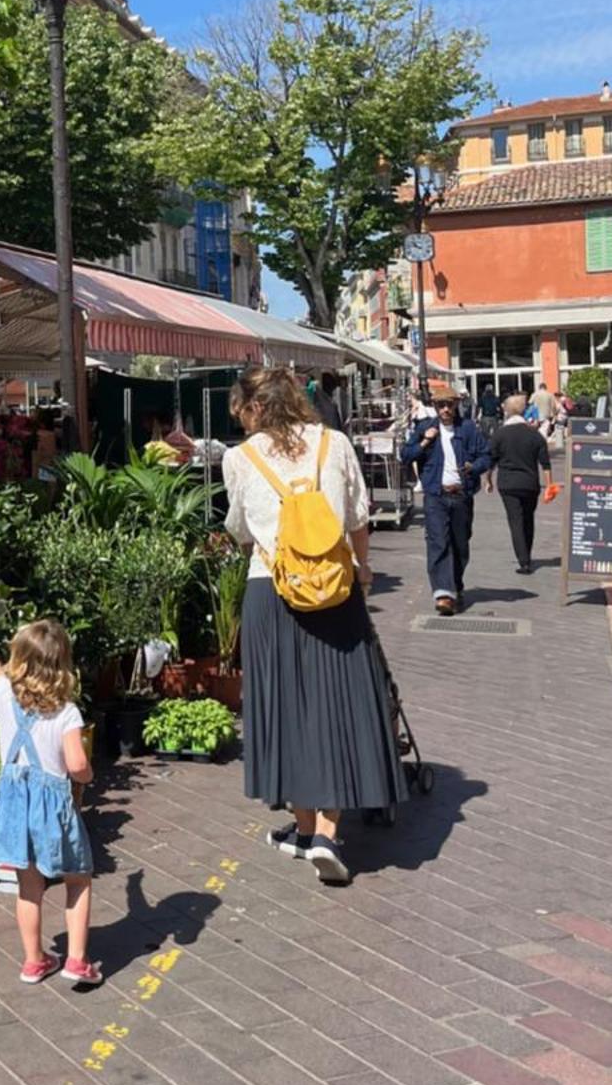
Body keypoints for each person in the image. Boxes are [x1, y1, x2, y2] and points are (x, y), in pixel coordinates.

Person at [222, 366, 403, 887]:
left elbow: (239, 531)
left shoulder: (241, 458)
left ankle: (303, 829)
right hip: (334, 588)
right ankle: (326, 831)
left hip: (270, 590)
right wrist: (363, 571)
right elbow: (358, 518)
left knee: (283, 706)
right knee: (337, 703)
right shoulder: (335, 443)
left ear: (253, 409)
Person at [0, 604, 98, 985]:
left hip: (13, 802)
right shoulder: (67, 712)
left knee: (29, 885)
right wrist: (88, 774)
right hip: (52, 805)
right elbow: (75, 766)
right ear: (62, 665)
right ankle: (76, 961)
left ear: (19, 659)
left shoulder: (4, 692)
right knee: (78, 878)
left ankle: (33, 960)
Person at [401, 393, 494, 615]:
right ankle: (443, 594)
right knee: (438, 542)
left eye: (449, 405)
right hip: (436, 496)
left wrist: (474, 467)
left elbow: (486, 456)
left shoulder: (468, 429)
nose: (445, 409)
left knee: (460, 545)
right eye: (441, 405)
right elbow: (405, 455)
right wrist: (425, 442)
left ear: (455, 406)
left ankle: (455, 586)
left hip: (461, 495)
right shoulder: (425, 427)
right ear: (434, 406)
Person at [491, 393, 552, 573]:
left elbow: (491, 459)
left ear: (508, 411)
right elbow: (545, 463)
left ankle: (523, 560)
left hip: (508, 483)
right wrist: (549, 485)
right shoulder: (535, 436)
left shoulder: (500, 434)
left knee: (515, 520)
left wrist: (487, 479)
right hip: (530, 483)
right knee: (528, 519)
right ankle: (527, 553)